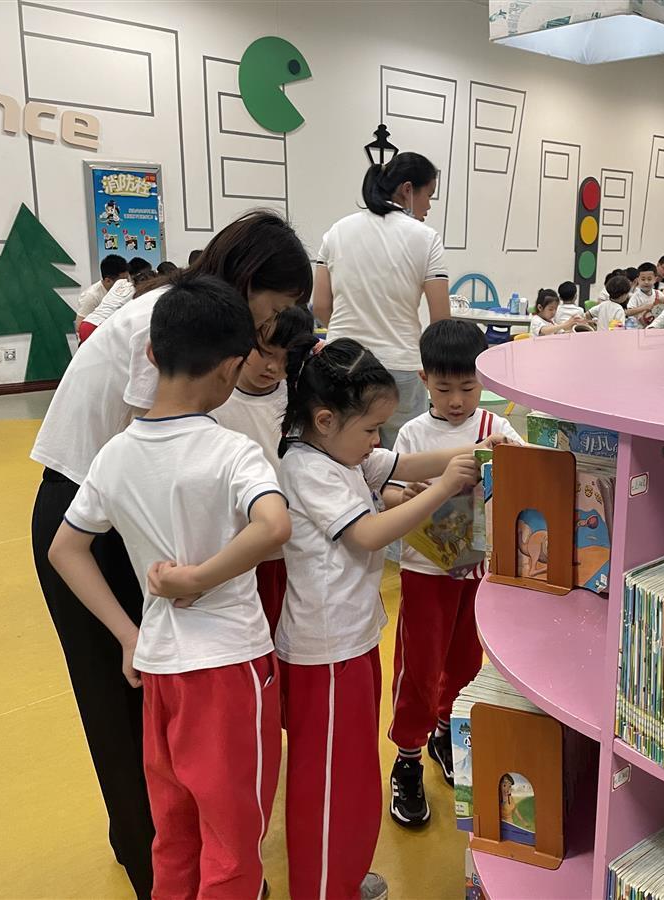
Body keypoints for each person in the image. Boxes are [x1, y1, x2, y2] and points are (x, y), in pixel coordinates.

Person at [28, 210, 311, 899]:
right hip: (94, 514)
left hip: (113, 516)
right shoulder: (162, 324)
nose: (269, 330)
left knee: (151, 724)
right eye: (275, 309)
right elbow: (162, 454)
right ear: (248, 282)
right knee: (124, 718)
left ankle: (166, 862)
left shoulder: (184, 316)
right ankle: (154, 868)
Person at [275, 338, 501, 900]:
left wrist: (479, 451)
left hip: (351, 641)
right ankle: (324, 886)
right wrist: (445, 487)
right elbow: (369, 533)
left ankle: (342, 875)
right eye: (371, 429)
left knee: (351, 772)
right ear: (325, 420)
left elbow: (403, 465)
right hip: (324, 651)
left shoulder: (340, 453)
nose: (378, 440)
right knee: (328, 780)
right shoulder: (310, 468)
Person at [382, 321, 521, 826]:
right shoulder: (413, 434)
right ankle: (407, 757)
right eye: (444, 388)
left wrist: (511, 462)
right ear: (424, 380)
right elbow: (388, 490)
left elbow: (527, 476)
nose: (457, 400)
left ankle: (444, 731)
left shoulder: (495, 426)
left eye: (468, 387)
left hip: (479, 571)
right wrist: (407, 496)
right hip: (426, 570)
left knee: (465, 660)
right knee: (419, 667)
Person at [314, 152, 449, 448]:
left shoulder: (336, 231)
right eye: (429, 195)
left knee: (341, 457)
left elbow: (321, 305)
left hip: (341, 363)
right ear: (407, 189)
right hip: (400, 364)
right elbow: (441, 320)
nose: (428, 206)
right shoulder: (426, 238)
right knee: (402, 460)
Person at [212, 304, 315, 633]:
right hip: (232, 545)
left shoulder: (300, 395)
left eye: (286, 359)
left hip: (287, 549)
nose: (273, 366)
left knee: (282, 635)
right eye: (265, 352)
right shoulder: (215, 398)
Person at [78, 257, 154, 344]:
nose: (126, 280)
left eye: (127, 277)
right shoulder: (90, 295)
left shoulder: (119, 283)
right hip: (98, 327)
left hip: (89, 325)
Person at [77, 254, 129, 327]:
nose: (126, 283)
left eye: (127, 278)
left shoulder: (126, 289)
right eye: (122, 280)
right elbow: (80, 327)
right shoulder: (91, 296)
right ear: (108, 281)